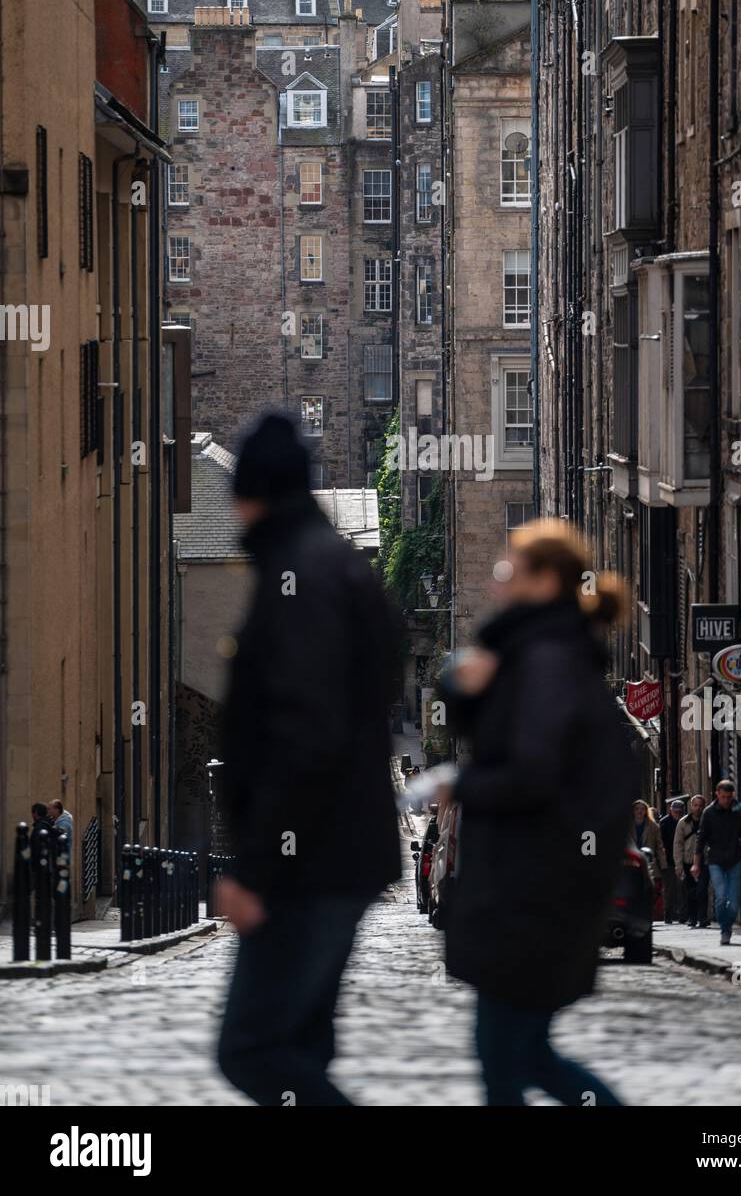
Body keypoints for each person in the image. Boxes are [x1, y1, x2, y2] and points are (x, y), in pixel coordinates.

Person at [216, 411, 401, 1106]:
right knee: (297, 1048)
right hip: (333, 854)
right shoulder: (329, 562)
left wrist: (256, 868)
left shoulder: (302, 574)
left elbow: (306, 735)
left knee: (254, 1050)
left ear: (254, 491)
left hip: (309, 864)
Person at [438, 519, 637, 1107]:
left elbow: (531, 773)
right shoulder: (532, 651)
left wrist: (461, 784)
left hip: (535, 889)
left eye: (509, 570)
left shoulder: (545, 658)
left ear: (546, 580)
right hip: (530, 885)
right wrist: (468, 692)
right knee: (521, 1057)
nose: (498, 581)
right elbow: (503, 741)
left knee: (509, 1060)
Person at [693, 779, 741, 945]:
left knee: (733, 901)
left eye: (728, 797)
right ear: (717, 794)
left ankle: (727, 925)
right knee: (720, 896)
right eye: (723, 796)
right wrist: (696, 863)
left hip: (735, 860)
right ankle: (725, 930)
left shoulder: (739, 811)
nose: (725, 800)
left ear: (732, 795)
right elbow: (701, 838)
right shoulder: (709, 813)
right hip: (716, 861)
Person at [674, 795, 708, 927]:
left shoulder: (707, 821)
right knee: (691, 890)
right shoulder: (683, 822)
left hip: (704, 860)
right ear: (691, 806)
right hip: (688, 860)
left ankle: (703, 917)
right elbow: (677, 844)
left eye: (700, 805)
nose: (698, 808)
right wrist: (678, 864)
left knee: (702, 889)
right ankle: (693, 917)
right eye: (696, 805)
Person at [659, 800, 686, 923]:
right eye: (676, 811)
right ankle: (668, 914)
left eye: (680, 812)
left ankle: (681, 914)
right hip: (668, 860)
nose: (678, 814)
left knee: (681, 888)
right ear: (671, 810)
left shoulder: (686, 822)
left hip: (682, 859)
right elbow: (660, 843)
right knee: (669, 889)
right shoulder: (664, 823)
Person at [632, 799, 665, 884]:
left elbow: (659, 846)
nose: (639, 811)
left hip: (649, 863)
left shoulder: (653, 826)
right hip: (632, 862)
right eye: (637, 809)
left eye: (642, 809)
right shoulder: (627, 826)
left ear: (646, 811)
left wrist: (663, 865)